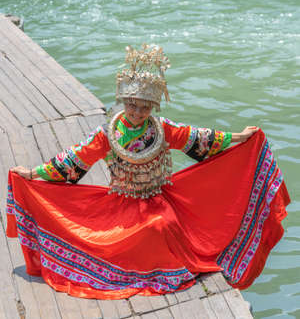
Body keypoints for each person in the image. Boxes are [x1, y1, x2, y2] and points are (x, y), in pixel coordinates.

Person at [7, 44, 290, 300]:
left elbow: (199, 138)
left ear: (152, 107)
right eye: (132, 105)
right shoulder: (107, 134)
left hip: (157, 197)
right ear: (123, 101)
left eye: (144, 107)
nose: (137, 112)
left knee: (162, 226)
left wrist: (239, 138)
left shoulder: (161, 128)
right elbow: (74, 158)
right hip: (121, 200)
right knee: (123, 237)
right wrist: (33, 173)